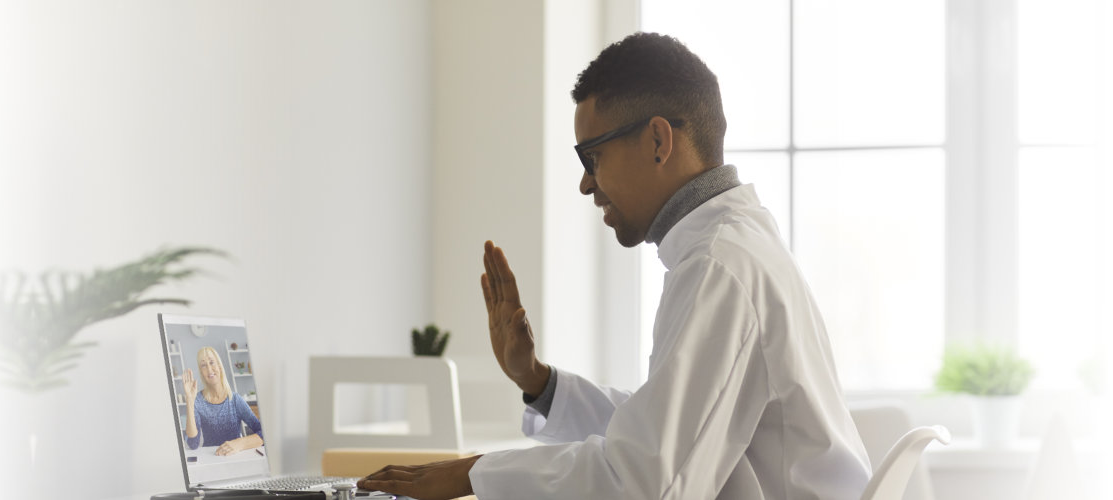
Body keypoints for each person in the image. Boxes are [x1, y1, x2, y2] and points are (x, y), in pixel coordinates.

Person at [361, 32, 871, 499]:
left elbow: (646, 481)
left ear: (657, 141)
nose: (586, 184)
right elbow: (659, 432)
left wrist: (471, 474)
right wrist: (539, 381)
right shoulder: (733, 249)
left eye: (592, 157)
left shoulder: (720, 268)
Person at [182, 346, 265, 456]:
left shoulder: (235, 399)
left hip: (235, 458)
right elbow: (193, 444)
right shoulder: (197, 401)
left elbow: (264, 433)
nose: (209, 369)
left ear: (220, 366)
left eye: (212, 362)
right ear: (201, 372)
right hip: (211, 458)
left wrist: (239, 443)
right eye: (203, 365)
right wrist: (189, 400)